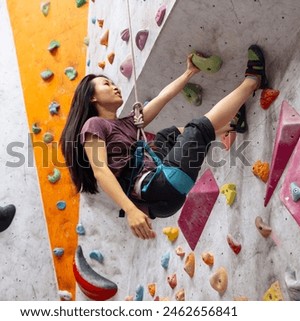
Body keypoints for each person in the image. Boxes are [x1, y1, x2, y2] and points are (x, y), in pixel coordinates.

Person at [60, 45, 268, 240]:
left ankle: (232, 125)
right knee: (197, 128)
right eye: (106, 84)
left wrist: (189, 73)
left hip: (162, 195)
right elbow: (100, 171)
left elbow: (163, 97)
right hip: (159, 187)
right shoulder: (93, 124)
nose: (115, 87)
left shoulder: (127, 124)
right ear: (91, 98)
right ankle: (254, 80)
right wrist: (131, 210)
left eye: (113, 83)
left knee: (166, 135)